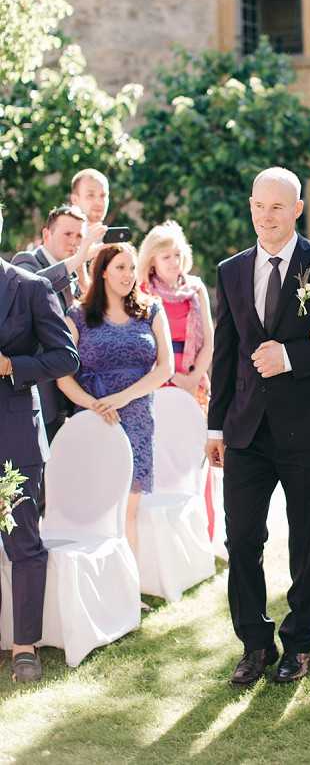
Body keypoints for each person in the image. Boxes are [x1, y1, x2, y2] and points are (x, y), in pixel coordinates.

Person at [206, 166, 310, 686]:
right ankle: (254, 643)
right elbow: (227, 354)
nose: (265, 216)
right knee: (242, 539)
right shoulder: (231, 270)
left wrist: (294, 356)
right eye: (258, 205)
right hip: (246, 431)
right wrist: (216, 429)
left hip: (308, 428)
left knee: (307, 541)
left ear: (297, 208)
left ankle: (299, 646)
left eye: (277, 207)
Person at [0, 205, 80, 682]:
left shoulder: (29, 288)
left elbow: (64, 356)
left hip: (13, 436)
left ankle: (24, 645)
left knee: (23, 542)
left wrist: (12, 367)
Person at [57, 243, 174, 563]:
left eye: (132, 267)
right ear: (104, 271)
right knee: (99, 507)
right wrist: (94, 405)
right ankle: (100, 585)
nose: (128, 275)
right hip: (95, 421)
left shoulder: (151, 310)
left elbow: (166, 368)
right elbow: (63, 377)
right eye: (121, 267)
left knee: (130, 510)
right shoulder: (77, 316)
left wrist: (122, 398)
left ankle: (130, 590)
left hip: (136, 417)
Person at [12, 205, 107, 444]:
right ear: (46, 235)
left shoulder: (75, 275)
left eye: (80, 236)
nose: (75, 241)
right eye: (68, 234)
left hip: (67, 395)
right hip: (36, 392)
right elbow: (34, 288)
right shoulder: (26, 262)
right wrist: (78, 259)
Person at [138, 220, 213, 412]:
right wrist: (168, 376)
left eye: (177, 255)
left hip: (192, 381)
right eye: (166, 257)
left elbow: (209, 343)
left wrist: (192, 380)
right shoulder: (141, 292)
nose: (174, 262)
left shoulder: (196, 289)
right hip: (154, 382)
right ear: (152, 261)